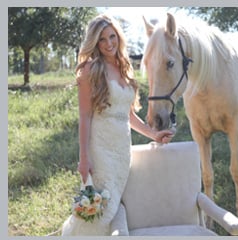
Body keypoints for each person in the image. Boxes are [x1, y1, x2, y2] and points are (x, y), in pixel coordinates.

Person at [61, 14, 175, 235]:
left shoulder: (124, 66)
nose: (108, 44)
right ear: (95, 42)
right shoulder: (90, 69)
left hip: (122, 150)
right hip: (101, 148)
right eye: (102, 39)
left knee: (110, 207)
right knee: (99, 205)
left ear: (118, 37)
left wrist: (153, 134)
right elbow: (84, 116)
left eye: (112, 37)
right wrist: (84, 158)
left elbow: (128, 115)